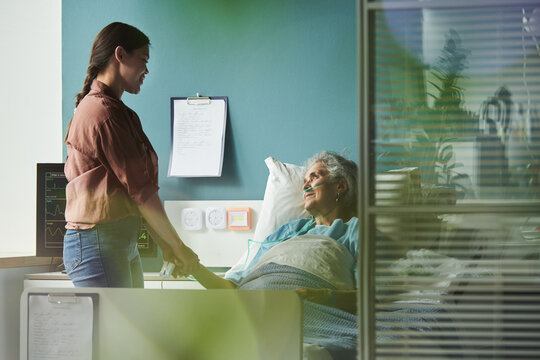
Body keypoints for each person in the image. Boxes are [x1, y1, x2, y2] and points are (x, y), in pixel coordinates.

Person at [63, 22, 199, 288]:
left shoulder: (119, 113)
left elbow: (134, 194)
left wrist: (166, 245)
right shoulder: (102, 114)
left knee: (126, 329)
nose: (147, 70)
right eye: (143, 60)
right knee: (114, 330)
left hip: (118, 242)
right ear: (120, 55)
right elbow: (142, 192)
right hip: (97, 243)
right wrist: (178, 247)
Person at [188, 151, 359, 359]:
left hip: (303, 307)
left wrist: (322, 296)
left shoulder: (355, 230)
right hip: (250, 300)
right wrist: (194, 267)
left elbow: (370, 295)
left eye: (314, 177)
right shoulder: (287, 231)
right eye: (304, 181)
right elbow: (231, 288)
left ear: (340, 186)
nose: (305, 186)